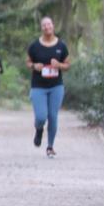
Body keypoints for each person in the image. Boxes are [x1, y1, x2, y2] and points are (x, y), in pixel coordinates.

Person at [26, 16, 71, 157]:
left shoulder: (61, 46)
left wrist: (59, 65)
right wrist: (34, 66)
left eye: (49, 24)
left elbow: (68, 65)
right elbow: (28, 62)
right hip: (38, 86)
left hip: (56, 86)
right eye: (44, 25)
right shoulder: (34, 46)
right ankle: (39, 129)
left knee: (53, 116)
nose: (47, 27)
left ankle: (50, 146)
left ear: (53, 26)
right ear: (41, 28)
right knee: (41, 117)